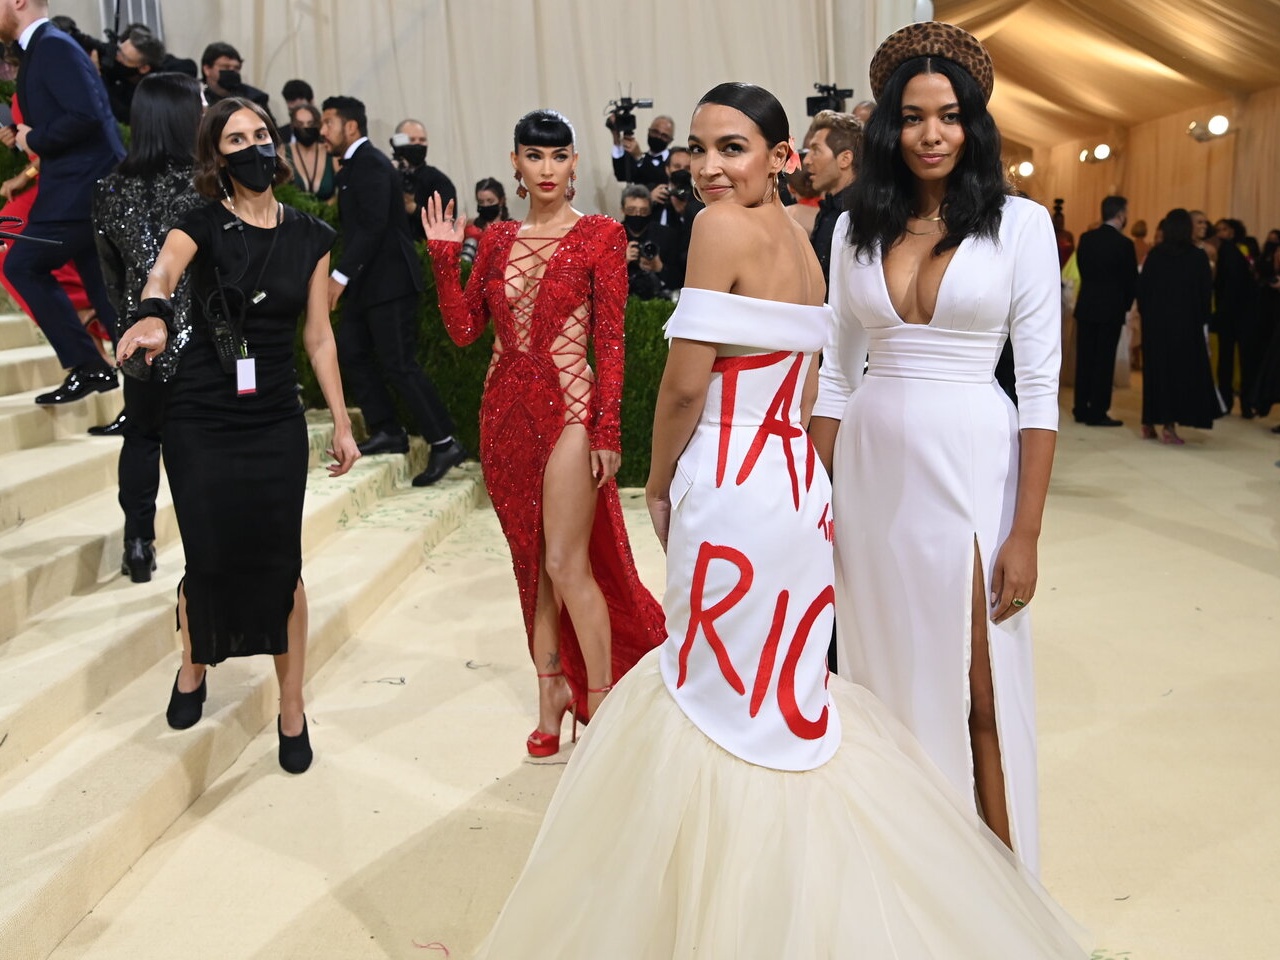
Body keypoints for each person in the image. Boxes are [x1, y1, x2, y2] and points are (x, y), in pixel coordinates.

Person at [463, 80, 1084, 959]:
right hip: (803, 483)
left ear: (778, 156)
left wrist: (659, 478)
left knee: (720, 696)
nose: (710, 168)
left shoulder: (721, 231)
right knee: (792, 698)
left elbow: (684, 384)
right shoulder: (810, 239)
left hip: (740, 479)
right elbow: (818, 375)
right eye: (702, 151)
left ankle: (733, 916)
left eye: (733, 149)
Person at [811, 23, 1062, 874]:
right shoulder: (853, 228)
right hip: (872, 483)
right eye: (913, 117)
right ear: (888, 125)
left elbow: (1038, 393)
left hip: (973, 473)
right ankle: (913, 883)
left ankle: (1005, 887)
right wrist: (814, 498)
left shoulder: (1022, 226)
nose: (930, 134)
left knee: (981, 692)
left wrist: (1023, 532)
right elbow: (835, 382)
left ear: (973, 124)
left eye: (949, 116)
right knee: (889, 692)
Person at [115, 97, 359, 773]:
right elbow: (163, 270)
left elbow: (318, 335)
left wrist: (339, 420)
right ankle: (194, 666)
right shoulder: (198, 223)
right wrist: (155, 313)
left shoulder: (311, 235)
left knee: (283, 564)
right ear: (215, 158)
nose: (255, 145)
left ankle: (290, 707)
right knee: (210, 557)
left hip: (274, 414)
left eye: (261, 133)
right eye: (237, 138)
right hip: (201, 413)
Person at [424, 108, 665, 754]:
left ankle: (604, 701)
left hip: (571, 414)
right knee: (531, 566)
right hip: (502, 415)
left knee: (566, 562)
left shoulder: (601, 236)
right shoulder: (498, 239)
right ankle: (551, 691)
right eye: (535, 157)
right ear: (516, 165)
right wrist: (447, 262)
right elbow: (466, 331)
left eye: (559, 158)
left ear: (575, 164)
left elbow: (610, 341)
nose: (548, 169)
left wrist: (608, 429)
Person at [92, 72, 207, 582]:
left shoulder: (108, 188)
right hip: (203, 339)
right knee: (197, 443)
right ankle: (206, 543)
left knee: (140, 435)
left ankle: (138, 544)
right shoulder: (208, 185)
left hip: (138, 336)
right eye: (201, 104)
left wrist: (131, 320)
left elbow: (110, 273)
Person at [319, 95, 464, 486]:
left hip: (389, 282)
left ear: (351, 127)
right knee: (350, 349)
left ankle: (444, 440)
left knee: (400, 363)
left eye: (328, 122)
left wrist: (339, 276)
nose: (322, 130)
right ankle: (387, 430)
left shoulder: (369, 163)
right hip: (368, 284)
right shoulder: (353, 166)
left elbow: (372, 227)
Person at [0, 0, 125, 405]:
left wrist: (30, 139)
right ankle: (145, 403)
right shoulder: (45, 47)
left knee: (22, 264)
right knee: (105, 294)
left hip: (80, 191)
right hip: (82, 188)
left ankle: (91, 366)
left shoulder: (52, 45)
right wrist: (26, 135)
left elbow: (87, 116)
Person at [1135, 208, 1221, 444]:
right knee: (1176, 376)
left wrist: (1147, 317)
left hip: (1155, 327)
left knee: (1154, 374)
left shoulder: (1155, 256)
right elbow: (1205, 295)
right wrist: (1202, 321)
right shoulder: (1197, 257)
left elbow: (1142, 291)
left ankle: (1148, 422)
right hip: (1184, 328)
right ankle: (1169, 426)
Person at [1073, 196, 1137, 426]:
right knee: (1104, 361)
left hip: (1087, 305)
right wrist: (1126, 305)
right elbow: (1131, 281)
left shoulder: (1086, 239)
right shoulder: (1124, 244)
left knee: (1085, 359)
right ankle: (1098, 410)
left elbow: (1081, 268)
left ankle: (1080, 407)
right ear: (1120, 214)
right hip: (1111, 309)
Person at [803, 108, 861, 286]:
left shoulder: (862, 215)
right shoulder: (828, 210)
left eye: (816, 150)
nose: (807, 160)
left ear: (845, 159)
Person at [1213, 217, 1257, 416]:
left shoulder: (1232, 251)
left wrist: (1221, 312)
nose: (1221, 232)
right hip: (1242, 313)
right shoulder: (1234, 251)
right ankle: (1243, 404)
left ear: (1233, 231)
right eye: (1219, 229)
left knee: (1229, 360)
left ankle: (1229, 401)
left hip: (1233, 313)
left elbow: (1227, 284)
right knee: (1241, 359)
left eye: (1225, 229)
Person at [392, 118, 456, 237]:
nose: (417, 144)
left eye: (422, 140)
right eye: (411, 140)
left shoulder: (440, 181)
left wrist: (414, 208)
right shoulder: (385, 176)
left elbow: (445, 224)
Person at [620, 184, 680, 299]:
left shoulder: (667, 235)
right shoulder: (612, 237)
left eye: (643, 211)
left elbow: (679, 280)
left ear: (650, 210)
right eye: (631, 210)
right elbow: (600, 280)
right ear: (622, 210)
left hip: (660, 301)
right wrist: (623, 262)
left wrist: (660, 268)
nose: (637, 215)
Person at [199, 41, 272, 120]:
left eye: (236, 68)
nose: (232, 72)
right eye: (225, 67)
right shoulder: (195, 96)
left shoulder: (254, 99)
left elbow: (270, 130)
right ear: (207, 69)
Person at [283, 103, 335, 201]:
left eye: (310, 124)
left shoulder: (331, 151)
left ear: (318, 125)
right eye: (300, 124)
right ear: (293, 126)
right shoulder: (283, 152)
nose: (305, 128)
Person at [610, 112, 674, 187]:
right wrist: (616, 139)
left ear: (670, 140)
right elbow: (621, 175)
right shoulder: (639, 159)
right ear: (648, 132)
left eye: (664, 136)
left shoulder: (674, 159)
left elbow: (661, 179)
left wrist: (639, 156)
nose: (658, 137)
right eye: (655, 132)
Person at [460, 176, 511, 263]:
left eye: (490, 201)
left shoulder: (511, 228)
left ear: (501, 201)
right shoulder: (471, 226)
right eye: (481, 202)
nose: (485, 205)